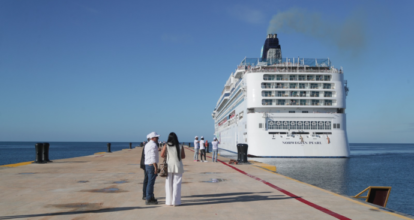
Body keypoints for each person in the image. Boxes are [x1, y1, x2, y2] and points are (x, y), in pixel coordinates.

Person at [161, 132, 185, 206]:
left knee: (168, 184)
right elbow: (183, 156)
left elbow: (162, 155)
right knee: (177, 184)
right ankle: (176, 201)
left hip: (169, 166)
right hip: (178, 166)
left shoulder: (166, 145)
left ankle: (168, 201)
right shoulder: (180, 145)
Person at [144, 132, 160, 205]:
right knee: (151, 183)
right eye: (156, 137)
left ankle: (150, 196)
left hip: (147, 165)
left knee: (149, 182)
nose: (157, 138)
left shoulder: (147, 144)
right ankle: (149, 198)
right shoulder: (153, 145)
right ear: (152, 138)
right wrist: (156, 168)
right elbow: (153, 157)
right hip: (151, 166)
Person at [140, 136, 156, 201]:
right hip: (147, 164)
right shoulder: (149, 146)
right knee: (147, 180)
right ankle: (145, 195)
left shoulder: (146, 145)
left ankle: (146, 195)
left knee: (147, 180)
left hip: (145, 164)